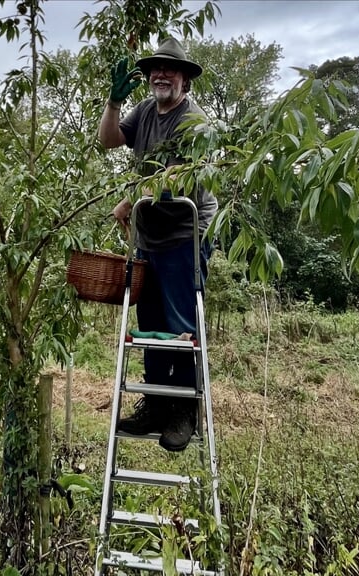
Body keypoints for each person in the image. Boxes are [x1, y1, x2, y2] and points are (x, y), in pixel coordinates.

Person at [97, 37, 218, 452]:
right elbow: (108, 141)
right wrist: (113, 103)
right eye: (154, 69)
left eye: (170, 69)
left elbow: (178, 178)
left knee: (181, 326)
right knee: (149, 325)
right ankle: (156, 404)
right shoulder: (146, 110)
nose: (160, 75)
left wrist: (128, 200)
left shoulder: (194, 121)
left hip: (185, 234)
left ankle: (183, 411)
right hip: (149, 237)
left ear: (184, 78)